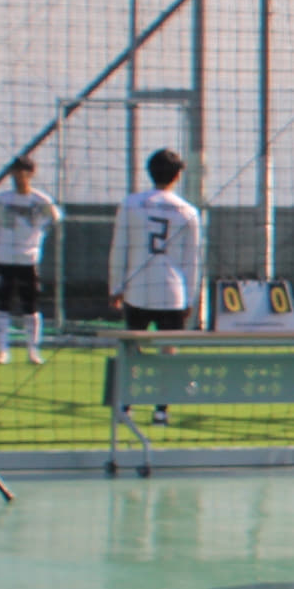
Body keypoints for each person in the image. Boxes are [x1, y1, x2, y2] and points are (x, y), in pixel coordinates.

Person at [109, 148, 204, 425]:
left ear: (149, 172)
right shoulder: (187, 211)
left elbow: (119, 248)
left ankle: (126, 406)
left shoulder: (131, 204)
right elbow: (192, 261)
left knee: (132, 348)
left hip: (138, 290)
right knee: (168, 351)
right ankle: (161, 410)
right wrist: (191, 299)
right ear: (177, 175)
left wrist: (116, 286)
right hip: (172, 292)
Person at [0, 152, 57, 364]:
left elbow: (54, 219)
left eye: (23, 171)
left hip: (28, 260)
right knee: (2, 303)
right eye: (16, 171)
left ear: (31, 173)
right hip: (4, 258)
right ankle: (2, 350)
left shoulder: (41, 200)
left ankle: (33, 350)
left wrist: (38, 235)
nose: (19, 176)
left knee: (31, 305)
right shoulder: (2, 199)